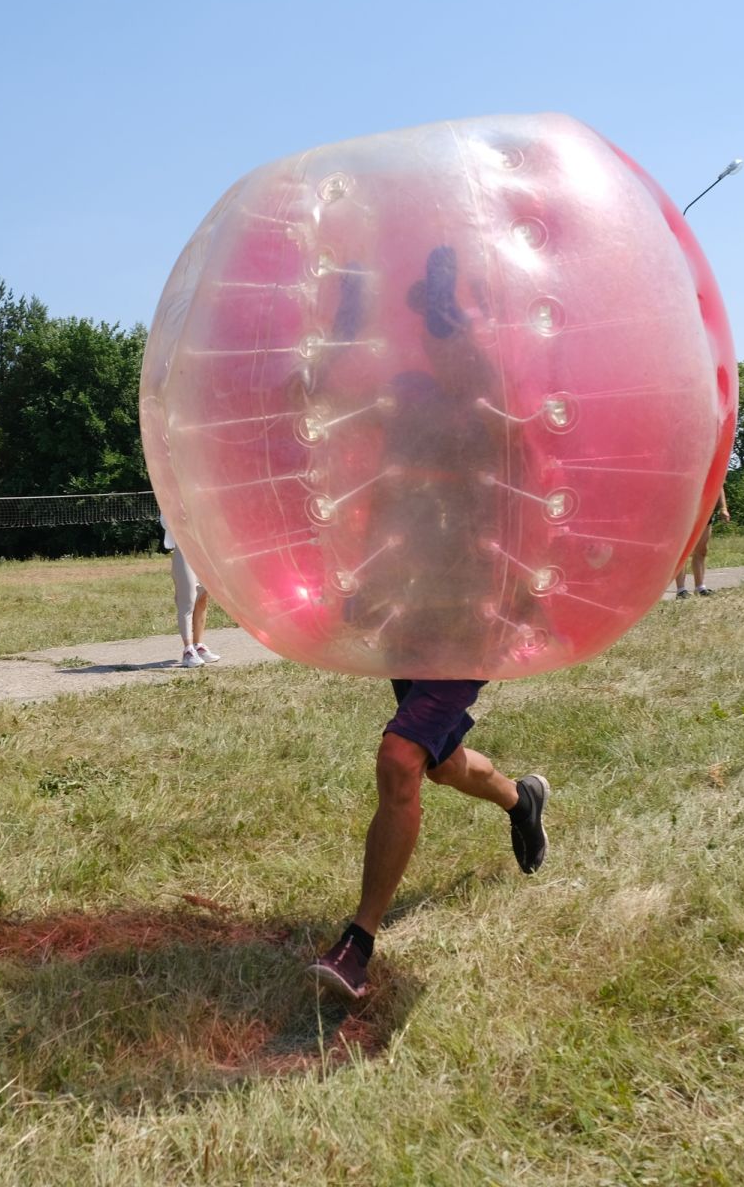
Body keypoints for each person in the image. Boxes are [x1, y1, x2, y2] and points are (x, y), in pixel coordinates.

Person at [307, 245, 551, 1002]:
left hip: (472, 619)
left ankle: (359, 939)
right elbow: (391, 501)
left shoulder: (498, 419)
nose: (439, 341)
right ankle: (522, 797)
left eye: (451, 324)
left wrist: (522, 593)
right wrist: (372, 583)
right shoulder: (408, 406)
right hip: (414, 610)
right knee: (441, 763)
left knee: (400, 757)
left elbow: (528, 517)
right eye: (430, 322)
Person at [160, 514, 219, 668]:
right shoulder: (172, 498)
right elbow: (166, 522)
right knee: (187, 600)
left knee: (203, 597)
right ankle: (188, 651)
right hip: (184, 550)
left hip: (203, 550)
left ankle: (198, 645)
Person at [674, 487, 731, 598]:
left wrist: (723, 508)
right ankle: (681, 590)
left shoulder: (709, 469)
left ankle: (700, 588)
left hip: (704, 509)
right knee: (682, 551)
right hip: (683, 509)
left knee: (702, 550)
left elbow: (719, 486)